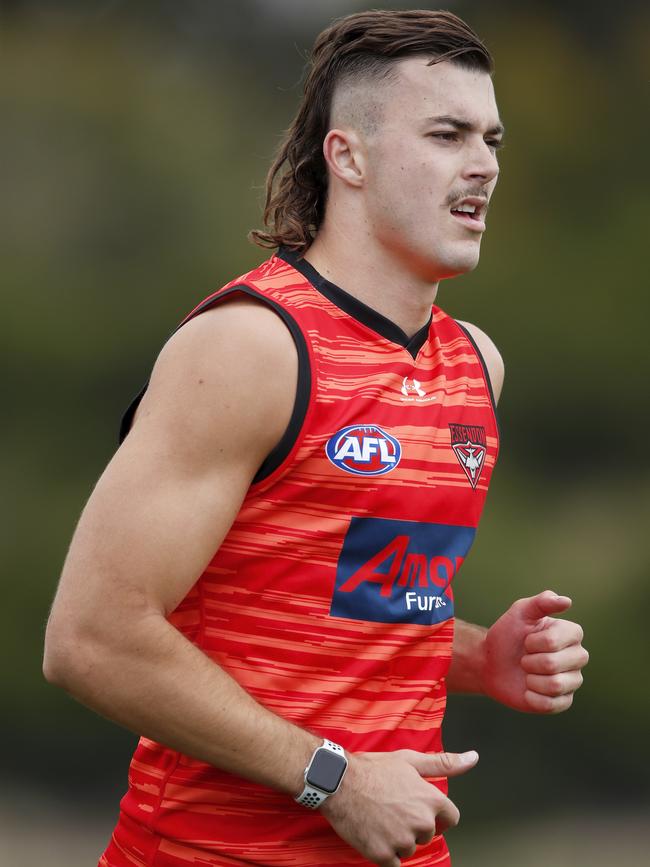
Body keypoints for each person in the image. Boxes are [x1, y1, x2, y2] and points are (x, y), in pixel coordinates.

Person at [43, 9, 589, 867]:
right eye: (447, 134)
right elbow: (91, 639)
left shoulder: (475, 365)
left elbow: (331, 601)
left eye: (491, 138)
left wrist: (485, 656)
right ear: (349, 157)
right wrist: (335, 779)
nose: (482, 164)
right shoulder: (249, 346)